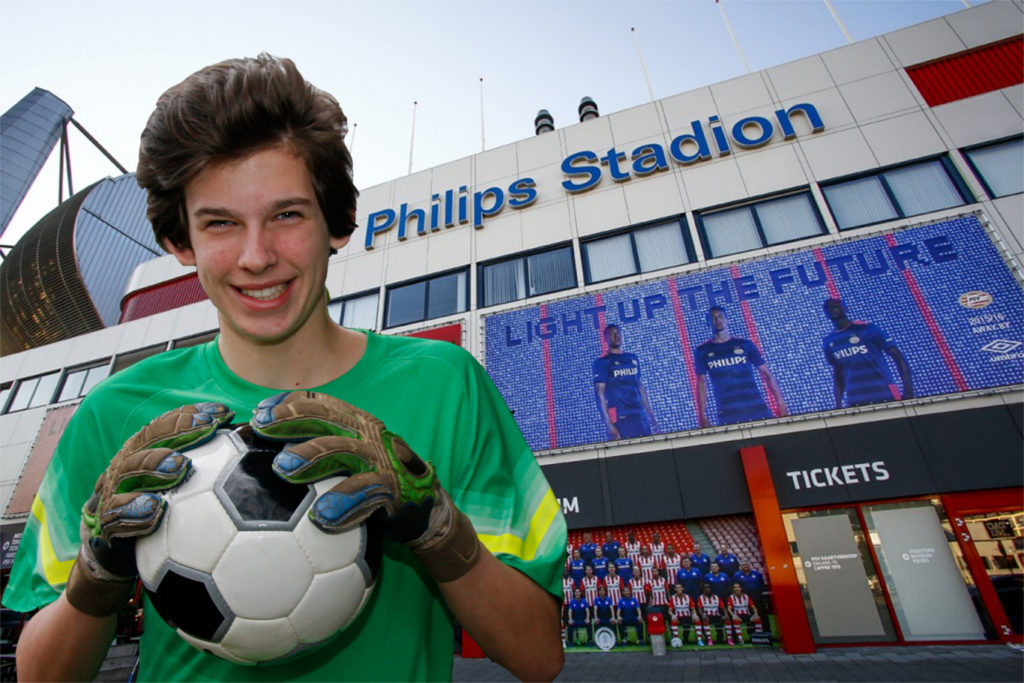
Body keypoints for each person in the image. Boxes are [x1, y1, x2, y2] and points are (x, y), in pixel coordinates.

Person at [3, 55, 566, 683]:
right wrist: (96, 575)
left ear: (338, 221)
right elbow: (39, 676)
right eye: (220, 223)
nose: (256, 256)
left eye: (287, 215)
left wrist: (436, 525)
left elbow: (538, 655)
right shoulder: (116, 412)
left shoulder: (445, 384)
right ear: (179, 242)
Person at [695, 306, 788, 427]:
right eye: (713, 318)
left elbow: (766, 374)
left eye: (720, 317)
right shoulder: (702, 350)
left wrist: (780, 402)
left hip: (757, 408)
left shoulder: (745, 344)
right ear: (708, 323)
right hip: (727, 413)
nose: (717, 320)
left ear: (727, 320)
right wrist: (702, 415)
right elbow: (702, 383)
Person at [822, 298, 914, 408]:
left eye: (835, 306)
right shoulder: (829, 341)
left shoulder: (866, 328)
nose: (832, 309)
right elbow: (838, 373)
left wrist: (908, 390)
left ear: (844, 308)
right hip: (855, 401)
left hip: (885, 395)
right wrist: (838, 404)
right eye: (828, 308)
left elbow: (897, 356)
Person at [592, 324, 659, 439]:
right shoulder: (602, 362)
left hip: (640, 415)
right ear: (606, 338)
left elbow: (640, 388)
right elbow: (599, 394)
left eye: (618, 333)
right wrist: (609, 424)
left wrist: (652, 417)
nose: (616, 336)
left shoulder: (632, 358)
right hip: (621, 416)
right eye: (612, 334)